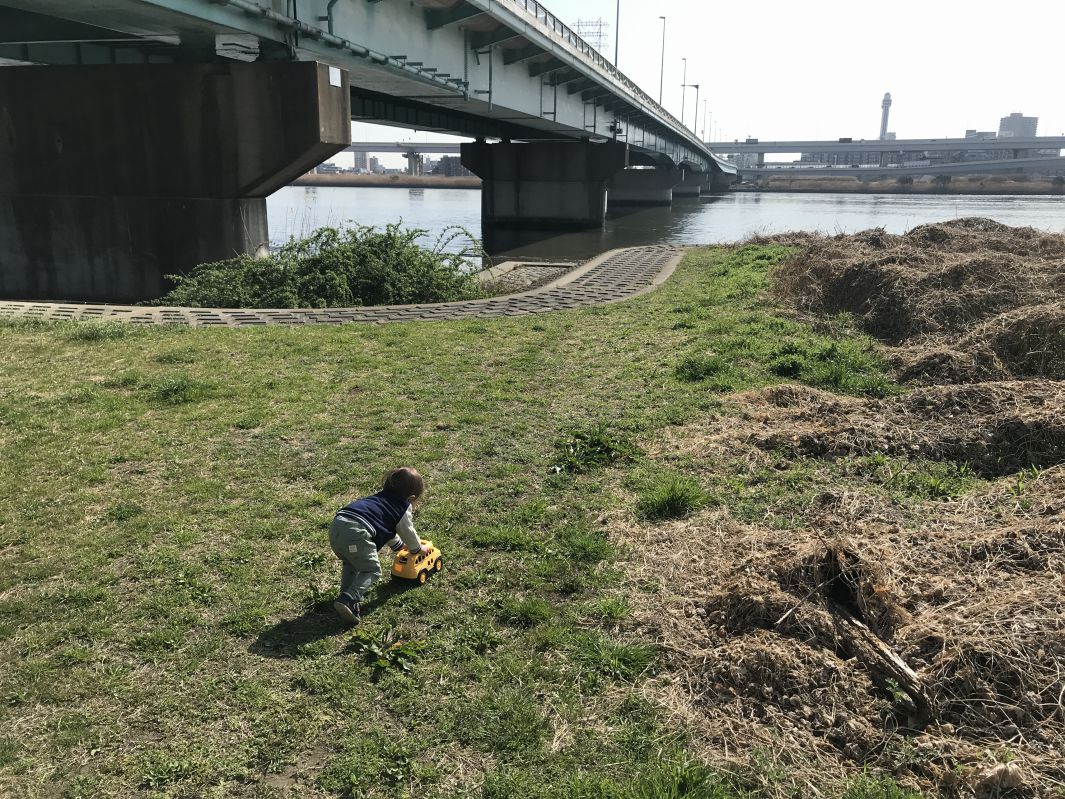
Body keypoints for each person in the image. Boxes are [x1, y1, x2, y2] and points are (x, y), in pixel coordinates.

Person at [329, 467, 425, 625]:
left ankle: (344, 597)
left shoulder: (380, 499)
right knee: (372, 570)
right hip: (356, 533)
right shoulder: (402, 506)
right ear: (411, 498)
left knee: (351, 563)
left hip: (337, 525)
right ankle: (349, 598)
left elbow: (384, 527)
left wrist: (398, 546)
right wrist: (416, 548)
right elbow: (407, 530)